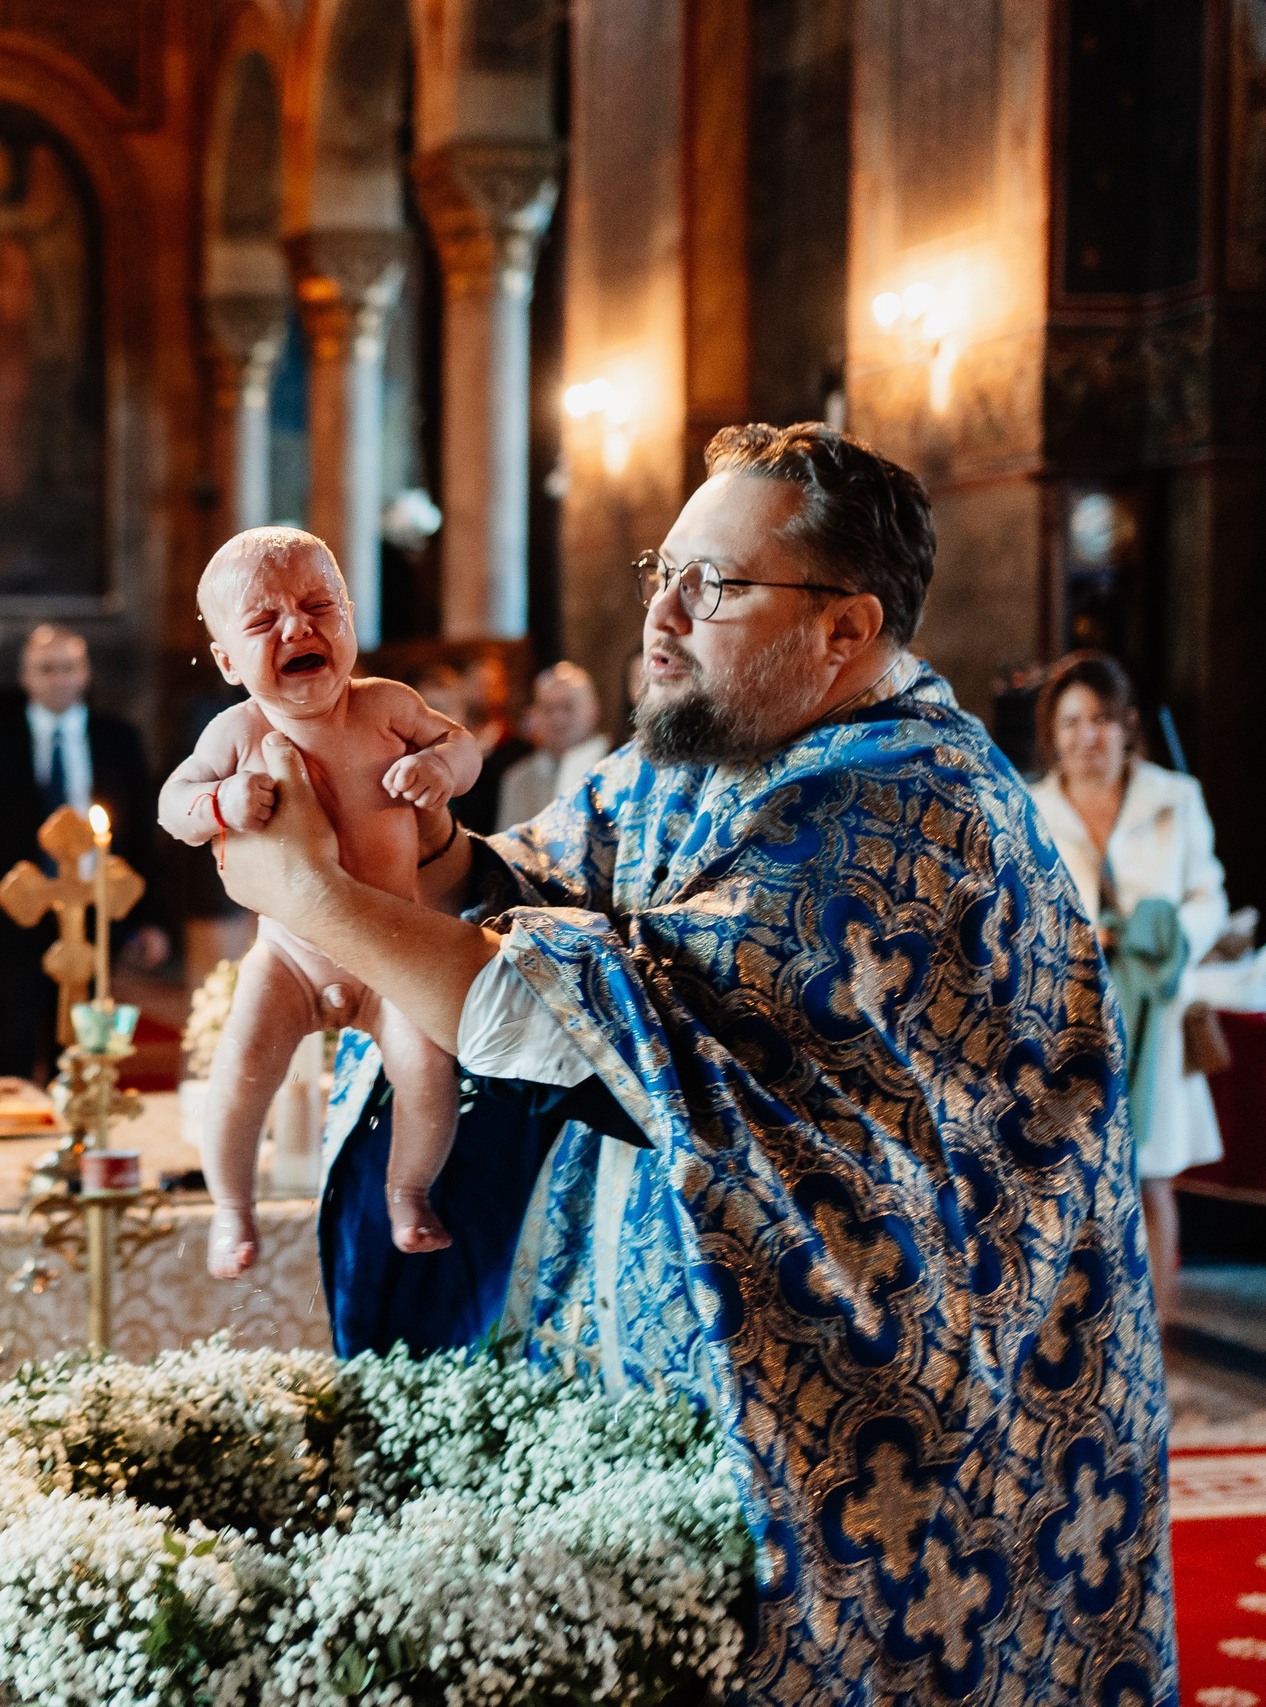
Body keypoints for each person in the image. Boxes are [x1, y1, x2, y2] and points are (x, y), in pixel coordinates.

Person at [213, 423, 1171, 1699]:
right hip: (673, 1383)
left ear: (844, 630)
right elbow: (526, 882)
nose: (660, 612)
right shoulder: (704, 746)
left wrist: (319, 904)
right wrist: (401, 846)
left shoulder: (909, 806)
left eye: (710, 584)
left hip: (880, 1428)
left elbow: (602, 1024)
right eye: (660, 569)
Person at [158, 528, 479, 1261]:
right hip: (290, 958)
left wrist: (441, 771)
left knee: (426, 1065)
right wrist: (221, 802)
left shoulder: (387, 707)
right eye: (264, 621)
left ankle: (409, 1189)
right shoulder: (235, 732)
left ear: (351, 620)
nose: (297, 628)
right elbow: (171, 803)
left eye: (317, 606)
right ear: (228, 662)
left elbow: (461, 742)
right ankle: (233, 1207)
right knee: (240, 1070)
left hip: (394, 950)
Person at [1028, 649, 1227, 1326]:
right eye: (1074, 720)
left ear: (1128, 725)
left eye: (1104, 719)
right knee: (1067, 1176)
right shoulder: (1031, 809)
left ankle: (1159, 1341)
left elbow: (1211, 896)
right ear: (1053, 732)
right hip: (1069, 1018)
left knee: (1152, 1176)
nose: (1089, 735)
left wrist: (1167, 935)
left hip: (1157, 1008)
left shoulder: (1175, 799)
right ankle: (1077, 1338)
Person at [0, 625, 167, 1080]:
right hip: (20, 909)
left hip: (95, 908)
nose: (59, 679)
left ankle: (78, 1128)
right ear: (26, 677)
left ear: (85, 672)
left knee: (83, 1037)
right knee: (14, 1035)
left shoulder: (118, 738)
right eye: (46, 669)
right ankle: (16, 1135)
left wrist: (151, 917)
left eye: (69, 667)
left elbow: (144, 833)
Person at [493, 661, 610, 829]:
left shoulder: (617, 762)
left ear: (593, 707)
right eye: (547, 709)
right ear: (534, 714)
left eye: (567, 707)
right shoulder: (518, 780)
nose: (557, 719)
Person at [449, 650, 534, 834]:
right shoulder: (448, 748)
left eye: (493, 685)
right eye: (478, 684)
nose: (486, 693)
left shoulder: (521, 751)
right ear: (462, 686)